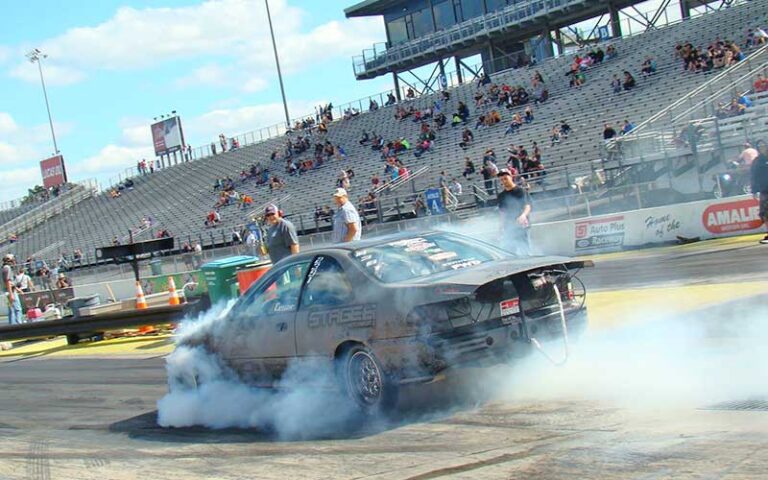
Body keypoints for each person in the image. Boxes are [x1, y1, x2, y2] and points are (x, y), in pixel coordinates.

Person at [497, 169, 532, 256]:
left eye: (505, 178)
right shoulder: (501, 195)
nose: (504, 181)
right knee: (509, 250)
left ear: (511, 177)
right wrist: (500, 227)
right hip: (508, 225)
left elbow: (527, 206)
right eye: (501, 179)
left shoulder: (520, 191)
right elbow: (502, 212)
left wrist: (523, 216)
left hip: (521, 224)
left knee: (524, 247)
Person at [749, 140, 768, 244]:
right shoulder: (757, 161)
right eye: (759, 146)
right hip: (764, 190)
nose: (762, 147)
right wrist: (754, 190)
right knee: (764, 213)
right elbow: (753, 176)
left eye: (763, 145)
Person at [2, 254, 22, 325]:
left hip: (8, 291)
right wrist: (11, 294)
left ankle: (12, 326)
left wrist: (17, 288)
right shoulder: (7, 268)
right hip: (10, 292)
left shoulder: (4, 268)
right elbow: (8, 281)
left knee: (11, 310)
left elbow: (10, 282)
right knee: (17, 309)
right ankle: (18, 325)